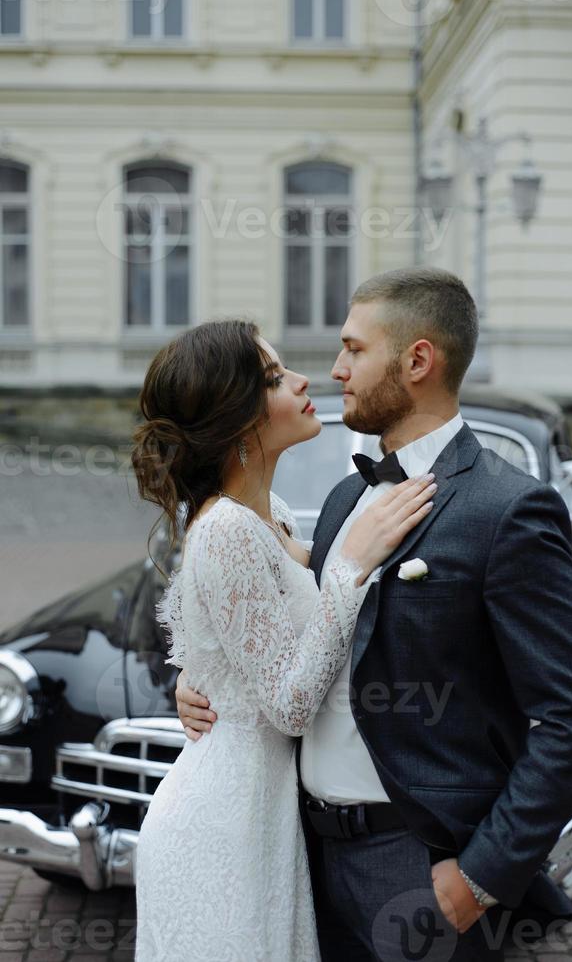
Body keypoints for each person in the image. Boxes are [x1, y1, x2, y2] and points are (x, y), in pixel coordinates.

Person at [177, 267, 572, 961]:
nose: (336, 369)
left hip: (417, 869)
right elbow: (298, 643)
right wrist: (208, 679)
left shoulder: (508, 510)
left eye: (354, 349)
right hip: (302, 857)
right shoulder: (351, 500)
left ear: (417, 361)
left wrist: (481, 876)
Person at [130, 318, 436, 961]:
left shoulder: (271, 518)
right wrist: (350, 566)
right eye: (273, 378)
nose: (305, 380)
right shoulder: (225, 532)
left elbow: (247, 650)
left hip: (269, 819)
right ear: (238, 419)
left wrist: (204, 681)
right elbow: (290, 705)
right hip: (221, 828)